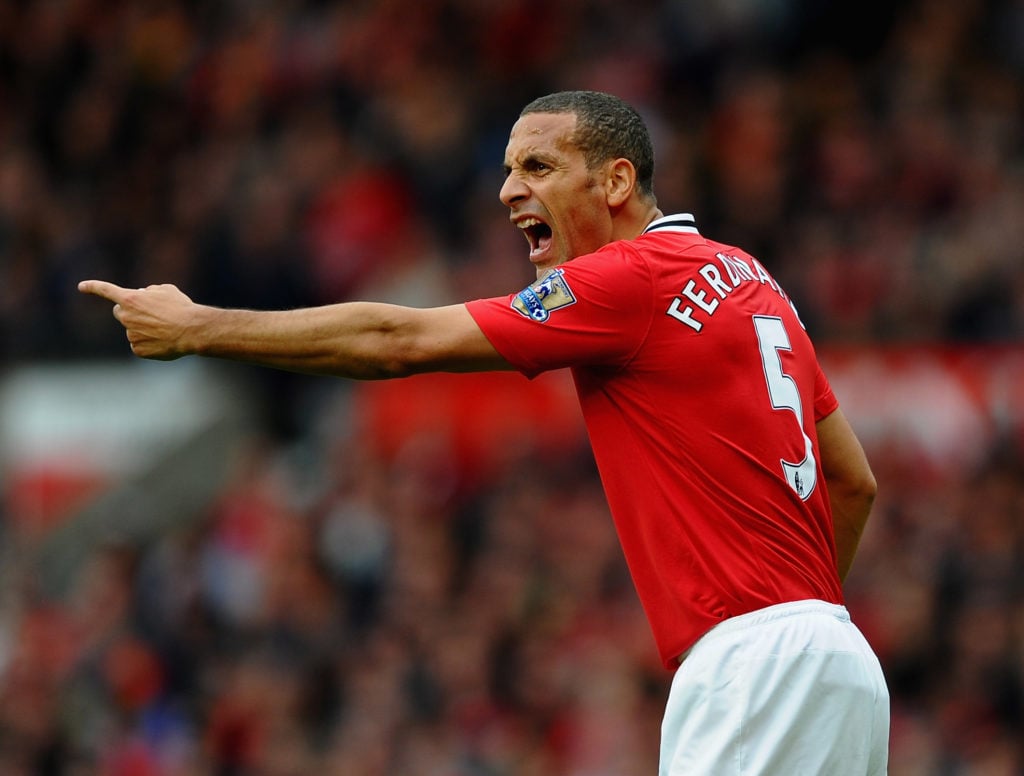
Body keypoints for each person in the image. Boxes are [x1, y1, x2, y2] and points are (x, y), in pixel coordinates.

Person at [80, 90, 889, 774]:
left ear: (616, 181)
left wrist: (200, 327)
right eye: (507, 169)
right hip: (844, 665)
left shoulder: (627, 278)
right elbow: (853, 482)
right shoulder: (755, 281)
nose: (508, 190)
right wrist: (805, 625)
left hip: (753, 665)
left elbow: (399, 341)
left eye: (537, 167)